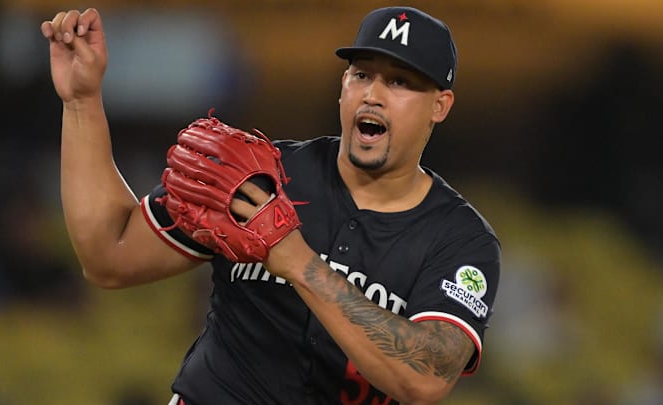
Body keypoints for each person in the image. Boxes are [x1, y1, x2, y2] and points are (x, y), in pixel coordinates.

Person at [41, 5, 500, 405]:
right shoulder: (260, 176)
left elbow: (425, 379)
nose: (373, 94)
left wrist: (299, 262)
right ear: (344, 84)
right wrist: (82, 102)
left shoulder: (460, 242)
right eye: (362, 74)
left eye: (400, 82)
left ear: (440, 106)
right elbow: (109, 256)